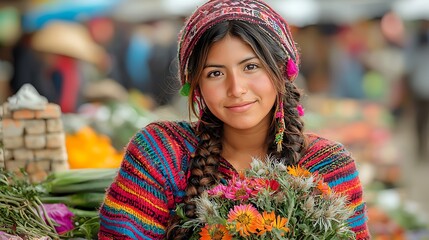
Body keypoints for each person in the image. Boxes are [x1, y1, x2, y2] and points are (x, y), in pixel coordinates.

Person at [98, 0, 370, 239]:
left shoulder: (329, 166)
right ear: (196, 86)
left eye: (251, 67)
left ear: (281, 71)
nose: (236, 89)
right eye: (215, 73)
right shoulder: (161, 152)